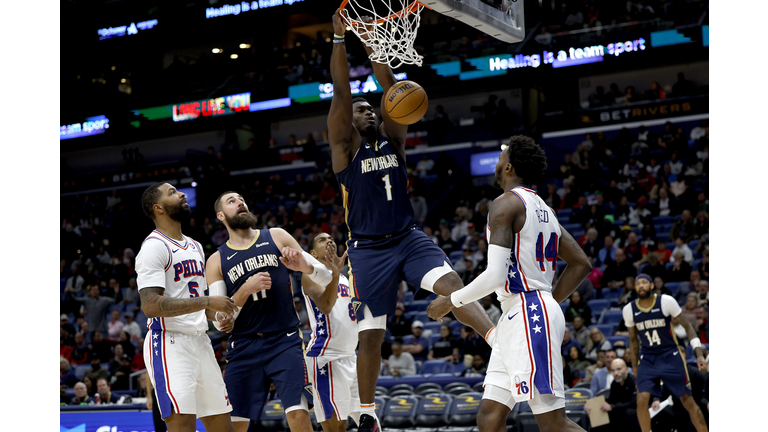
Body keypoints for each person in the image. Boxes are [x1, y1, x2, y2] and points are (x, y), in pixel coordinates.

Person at [327, 10, 495, 432]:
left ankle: (498, 340)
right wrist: (338, 40)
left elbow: (394, 90)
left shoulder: (394, 140)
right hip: (367, 249)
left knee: (454, 285)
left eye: (373, 111)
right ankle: (367, 414)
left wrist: (373, 41)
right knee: (371, 334)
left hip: (407, 238)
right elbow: (343, 94)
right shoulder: (345, 150)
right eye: (362, 110)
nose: (369, 112)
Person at [425, 136, 593, 432]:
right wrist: (549, 300)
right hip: (521, 314)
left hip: (529, 312)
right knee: (489, 418)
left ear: (509, 166)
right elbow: (581, 263)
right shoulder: (545, 210)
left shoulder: (505, 203)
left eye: (501, 155)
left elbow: (495, 276)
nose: (498, 159)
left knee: (554, 423)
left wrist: (449, 301)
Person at [206, 191, 330, 432]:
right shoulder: (216, 260)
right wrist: (244, 290)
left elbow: (325, 276)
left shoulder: (277, 236)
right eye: (231, 201)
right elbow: (221, 323)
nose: (240, 202)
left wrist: (303, 265)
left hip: (284, 341)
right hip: (243, 346)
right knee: (235, 424)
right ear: (220, 215)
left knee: (299, 415)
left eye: (241, 198)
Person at [136, 182, 237, 432]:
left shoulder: (195, 246)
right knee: (183, 428)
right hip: (170, 345)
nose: (181, 193)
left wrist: (218, 315)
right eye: (172, 192)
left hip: (201, 342)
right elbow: (151, 306)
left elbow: (198, 300)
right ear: (158, 208)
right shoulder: (153, 247)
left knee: (224, 427)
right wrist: (207, 302)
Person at [622, 274, 708, 432]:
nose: (641, 286)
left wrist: (699, 353)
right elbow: (633, 340)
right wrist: (635, 367)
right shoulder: (629, 309)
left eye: (644, 283)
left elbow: (688, 327)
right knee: (641, 400)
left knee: (687, 400)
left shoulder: (666, 301)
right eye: (637, 283)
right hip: (647, 358)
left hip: (670, 355)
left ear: (652, 285)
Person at [301, 232, 362, 432]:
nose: (329, 241)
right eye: (321, 240)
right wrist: (335, 274)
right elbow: (326, 306)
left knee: (368, 421)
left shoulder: (345, 277)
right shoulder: (310, 275)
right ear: (312, 253)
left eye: (331, 239)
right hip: (327, 357)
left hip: (351, 356)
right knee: (337, 427)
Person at [585, 359, 639, 432]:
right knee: (600, 412)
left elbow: (634, 403)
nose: (616, 373)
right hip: (620, 411)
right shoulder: (614, 383)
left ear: (626, 369)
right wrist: (592, 406)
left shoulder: (633, 381)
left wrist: (612, 407)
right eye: (613, 370)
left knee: (628, 413)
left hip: (633, 411)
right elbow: (610, 402)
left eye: (619, 369)